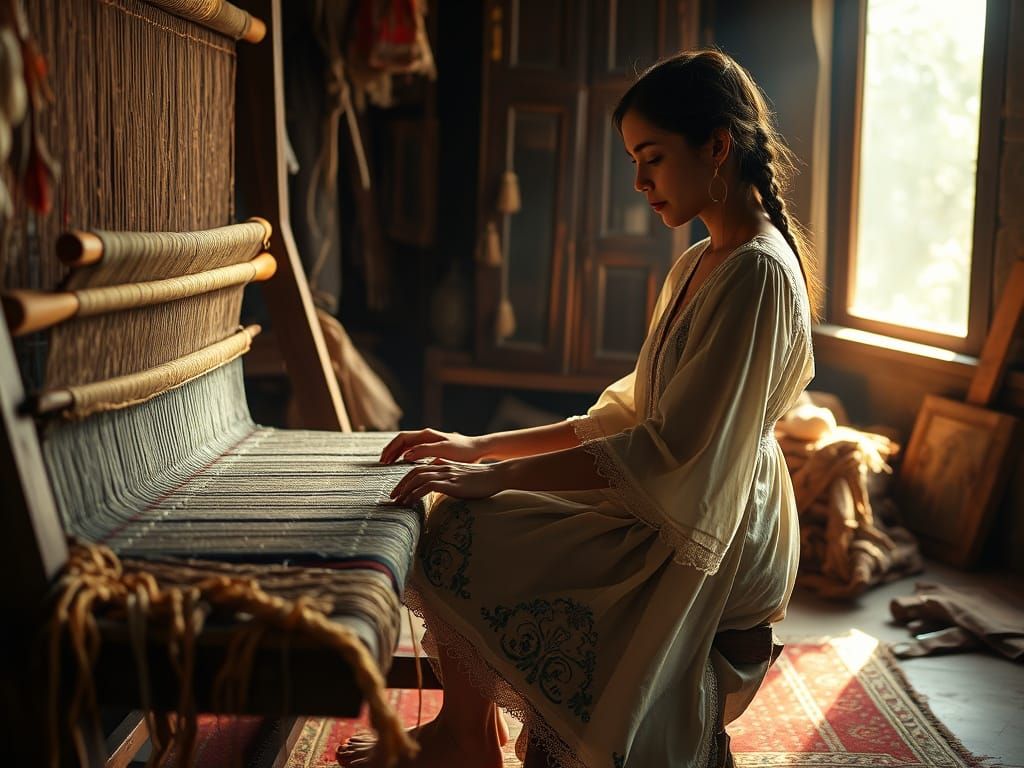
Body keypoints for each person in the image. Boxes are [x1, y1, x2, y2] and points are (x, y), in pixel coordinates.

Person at [339, 48, 817, 768]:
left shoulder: (755, 273)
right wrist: (480, 449)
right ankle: (462, 734)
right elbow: (631, 415)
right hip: (683, 489)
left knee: (466, 528)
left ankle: (465, 742)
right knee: (459, 509)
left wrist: (494, 480)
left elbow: (669, 452)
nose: (639, 180)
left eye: (651, 157)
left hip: (709, 518)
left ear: (717, 146)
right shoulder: (701, 260)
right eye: (634, 159)